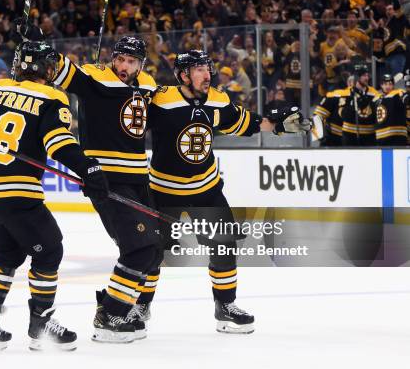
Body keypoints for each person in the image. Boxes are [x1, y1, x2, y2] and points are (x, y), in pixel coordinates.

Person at [0, 41, 109, 351]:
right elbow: (59, 144)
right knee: (49, 250)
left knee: (9, 254)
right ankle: (41, 325)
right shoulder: (52, 98)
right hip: (12, 191)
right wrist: (88, 168)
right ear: (44, 69)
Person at [145, 50, 310, 334]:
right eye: (198, 70)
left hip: (206, 189)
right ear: (183, 75)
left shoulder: (218, 100)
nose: (207, 74)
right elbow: (129, 124)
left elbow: (246, 123)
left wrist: (277, 124)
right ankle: (139, 305)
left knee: (223, 246)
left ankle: (225, 306)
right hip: (163, 191)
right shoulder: (160, 99)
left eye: (207, 68)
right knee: (149, 252)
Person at [51, 34, 162, 343]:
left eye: (131, 61)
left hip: (140, 180)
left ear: (141, 64)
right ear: (113, 58)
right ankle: (110, 316)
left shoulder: (148, 85)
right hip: (108, 181)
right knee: (138, 249)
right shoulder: (93, 78)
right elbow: (60, 70)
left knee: (153, 250)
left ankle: (122, 309)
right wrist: (42, 47)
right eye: (120, 59)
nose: (124, 66)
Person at [340, 64, 380, 146]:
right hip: (350, 134)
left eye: (367, 75)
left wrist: (365, 101)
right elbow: (343, 114)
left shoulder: (374, 93)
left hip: (369, 135)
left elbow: (376, 115)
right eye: (364, 75)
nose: (367, 78)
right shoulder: (346, 93)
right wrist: (354, 104)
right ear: (357, 77)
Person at [375, 74, 407, 145]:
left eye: (390, 84)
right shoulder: (376, 98)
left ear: (393, 85)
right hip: (381, 137)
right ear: (381, 85)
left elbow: (406, 99)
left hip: (397, 136)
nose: (388, 86)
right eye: (385, 84)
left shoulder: (398, 92)